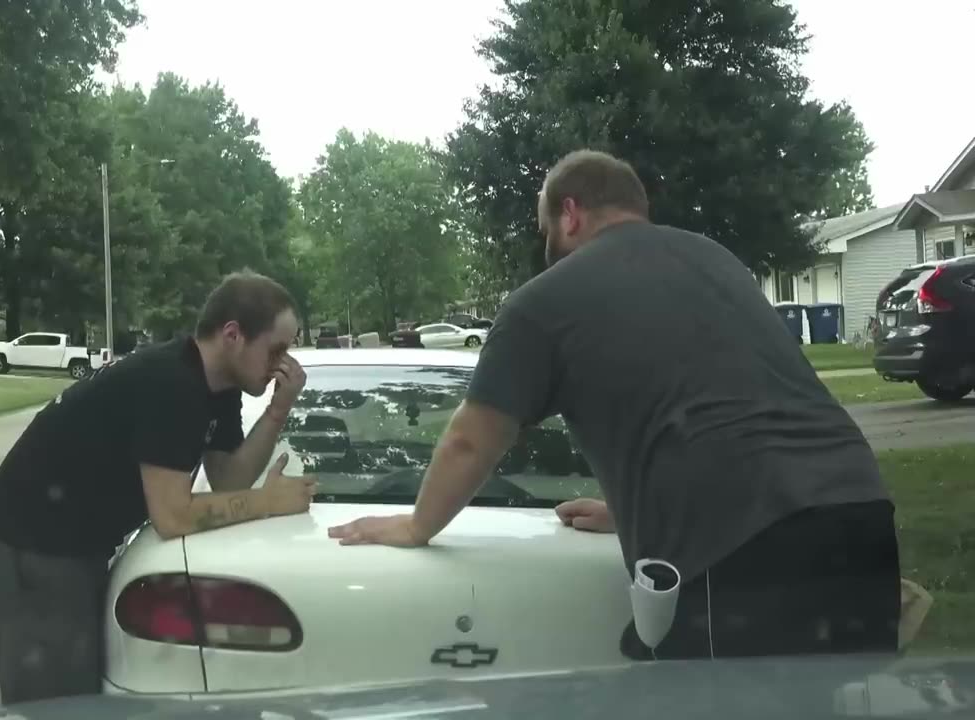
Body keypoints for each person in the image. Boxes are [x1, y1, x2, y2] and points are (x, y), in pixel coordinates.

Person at [328, 150, 901, 661]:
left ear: (570, 213)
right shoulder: (717, 262)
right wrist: (638, 507)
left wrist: (418, 524)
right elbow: (718, 402)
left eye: (544, 227)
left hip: (740, 546)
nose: (547, 244)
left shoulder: (544, 302)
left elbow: (471, 439)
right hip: (858, 513)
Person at [0, 271, 317, 705]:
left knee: (80, 688)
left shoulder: (217, 388)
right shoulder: (172, 384)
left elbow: (229, 477)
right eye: (277, 349)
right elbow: (173, 516)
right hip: (32, 540)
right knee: (53, 702)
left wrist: (278, 409)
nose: (284, 364)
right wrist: (266, 503)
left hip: (75, 542)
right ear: (233, 335)